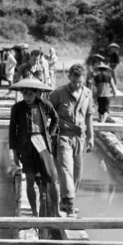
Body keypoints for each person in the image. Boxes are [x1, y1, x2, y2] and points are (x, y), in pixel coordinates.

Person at [50, 64, 94, 217]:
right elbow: (47, 112)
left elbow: (89, 115)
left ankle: (65, 199)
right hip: (63, 136)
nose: (76, 85)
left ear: (84, 80)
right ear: (69, 78)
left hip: (80, 138)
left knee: (77, 173)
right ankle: (69, 205)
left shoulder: (88, 93)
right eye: (74, 81)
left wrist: (91, 137)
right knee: (66, 169)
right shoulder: (59, 93)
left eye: (79, 82)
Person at [9, 83, 60, 218]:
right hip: (26, 146)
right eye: (25, 94)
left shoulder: (44, 105)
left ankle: (57, 211)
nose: (27, 97)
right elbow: (12, 130)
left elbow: (55, 118)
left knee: (52, 178)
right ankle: (34, 212)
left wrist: (50, 134)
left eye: (30, 94)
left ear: (37, 93)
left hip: (43, 143)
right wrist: (14, 152)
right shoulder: (17, 108)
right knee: (30, 179)